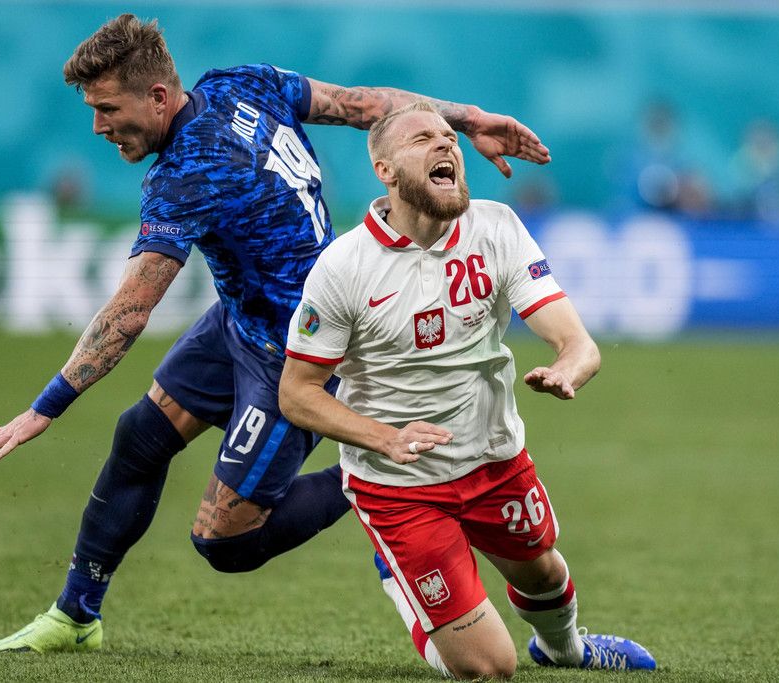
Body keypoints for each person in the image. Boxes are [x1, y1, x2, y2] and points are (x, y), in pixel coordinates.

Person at [0, 14, 551, 653]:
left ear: (157, 97)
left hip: (298, 352)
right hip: (241, 322)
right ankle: (75, 616)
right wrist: (468, 117)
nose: (99, 127)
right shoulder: (239, 82)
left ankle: (381, 489)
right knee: (139, 437)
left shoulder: (185, 175)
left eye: (107, 109)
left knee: (226, 541)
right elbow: (366, 106)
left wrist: (46, 407)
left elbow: (129, 313)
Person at [279, 101, 655, 679]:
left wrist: (568, 368)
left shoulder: (496, 227)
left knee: (544, 572)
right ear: (385, 171)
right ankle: (402, 572)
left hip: (494, 459)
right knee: (489, 668)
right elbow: (297, 393)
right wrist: (384, 438)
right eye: (422, 139)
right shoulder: (343, 267)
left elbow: (578, 342)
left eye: (449, 137)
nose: (446, 144)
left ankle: (567, 649)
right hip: (399, 487)